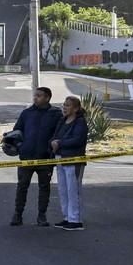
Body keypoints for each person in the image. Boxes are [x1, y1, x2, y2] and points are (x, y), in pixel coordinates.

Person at [10, 86, 62, 226]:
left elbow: (59, 133)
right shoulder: (27, 113)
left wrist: (51, 149)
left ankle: (42, 216)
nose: (35, 98)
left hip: (45, 158)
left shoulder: (56, 114)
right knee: (22, 186)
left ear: (47, 98)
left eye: (39, 96)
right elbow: (17, 131)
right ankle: (18, 215)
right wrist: (20, 146)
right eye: (35, 95)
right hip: (26, 157)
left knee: (44, 187)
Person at [52, 95, 89, 231]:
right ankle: (67, 217)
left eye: (68, 105)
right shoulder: (62, 121)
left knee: (73, 190)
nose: (65, 107)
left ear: (76, 108)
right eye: (64, 105)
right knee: (63, 189)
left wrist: (60, 143)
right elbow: (55, 136)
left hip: (73, 160)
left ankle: (76, 220)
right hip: (60, 158)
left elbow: (77, 140)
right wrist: (53, 142)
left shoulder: (80, 122)